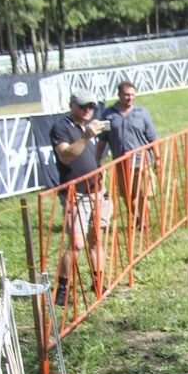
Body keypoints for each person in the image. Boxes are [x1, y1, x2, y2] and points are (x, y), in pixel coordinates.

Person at [50, 89, 111, 308]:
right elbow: (65, 156)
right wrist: (86, 137)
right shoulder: (62, 127)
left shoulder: (93, 125)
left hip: (96, 191)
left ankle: (98, 283)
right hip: (75, 195)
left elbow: (94, 158)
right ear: (72, 105)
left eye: (91, 107)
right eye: (83, 106)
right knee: (76, 244)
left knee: (96, 240)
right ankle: (62, 289)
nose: (88, 110)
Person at [104, 80, 159, 232]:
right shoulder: (108, 115)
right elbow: (103, 139)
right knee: (128, 197)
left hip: (142, 163)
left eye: (133, 95)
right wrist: (96, 159)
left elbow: (153, 137)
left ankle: (145, 223)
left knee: (143, 195)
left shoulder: (142, 113)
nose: (130, 98)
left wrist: (158, 158)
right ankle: (138, 218)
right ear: (119, 95)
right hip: (121, 163)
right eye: (127, 95)